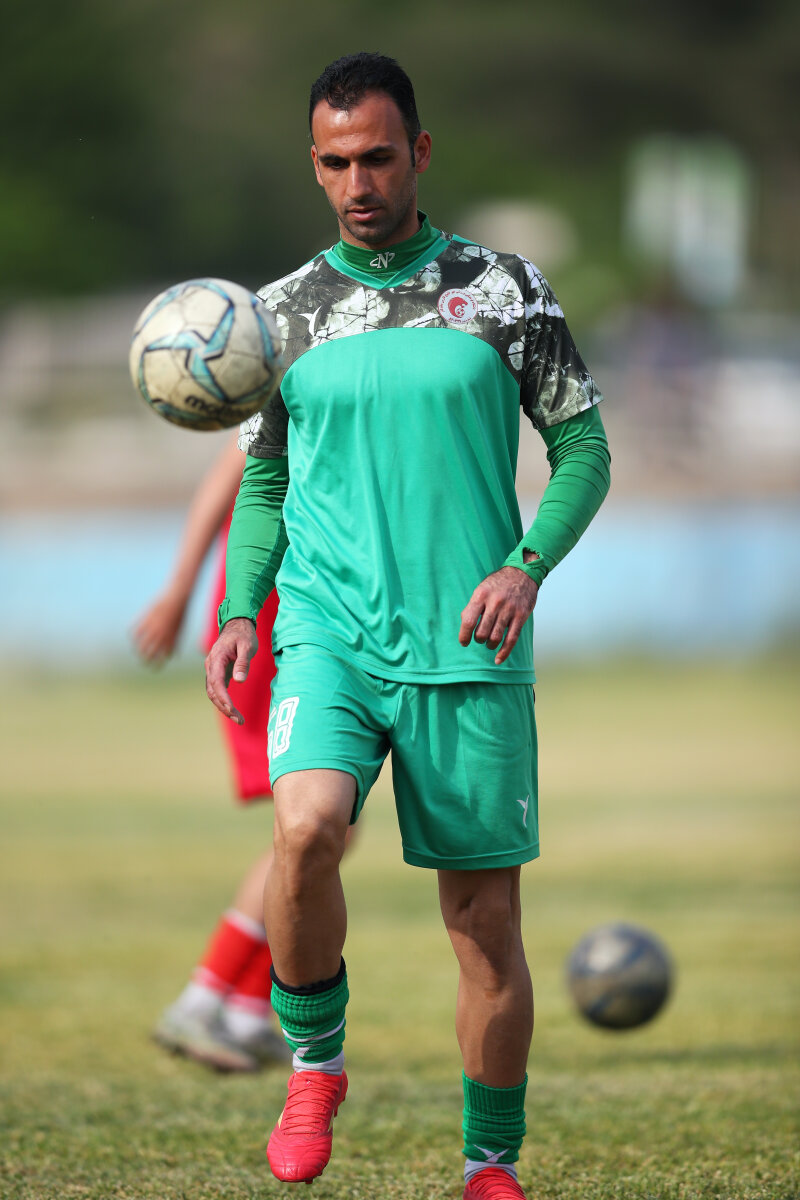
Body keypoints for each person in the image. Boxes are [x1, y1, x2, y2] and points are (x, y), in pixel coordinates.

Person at [205, 52, 611, 1199]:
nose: (358, 183)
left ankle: (489, 1165)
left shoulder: (503, 289)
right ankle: (313, 1066)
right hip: (328, 635)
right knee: (301, 833)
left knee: (482, 929)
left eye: (377, 158)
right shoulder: (280, 316)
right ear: (313, 165)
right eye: (335, 163)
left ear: (418, 153)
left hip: (467, 648)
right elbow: (266, 481)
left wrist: (525, 568)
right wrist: (237, 609)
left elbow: (582, 448)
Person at [133, 433, 287, 1072]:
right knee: (314, 824)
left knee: (325, 827)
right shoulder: (283, 380)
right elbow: (227, 478)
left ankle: (246, 1011)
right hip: (266, 623)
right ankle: (202, 1001)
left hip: (306, 614)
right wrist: (178, 590)